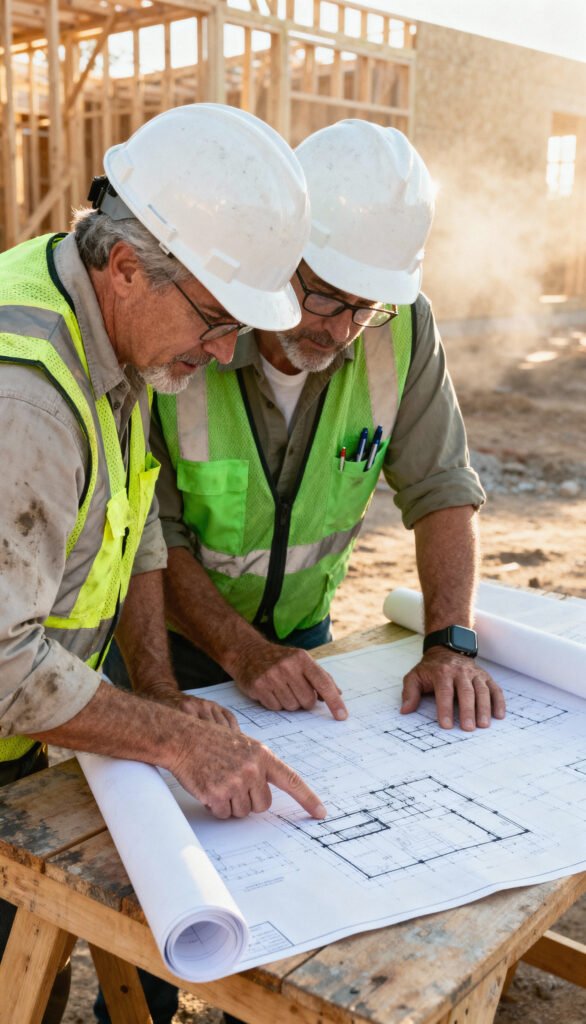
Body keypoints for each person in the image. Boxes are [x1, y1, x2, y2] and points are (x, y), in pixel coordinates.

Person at [0, 103, 327, 1024]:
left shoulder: (117, 341)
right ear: (128, 265)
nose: (225, 354)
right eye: (217, 321)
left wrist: (154, 685)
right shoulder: (25, 397)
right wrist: (177, 739)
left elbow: (134, 525)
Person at [145, 119, 506, 737]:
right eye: (327, 297)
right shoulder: (189, 331)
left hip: (306, 636)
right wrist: (241, 651)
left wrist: (450, 643)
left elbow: (441, 486)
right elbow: (151, 534)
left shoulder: (402, 329)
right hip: (172, 645)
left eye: (365, 307)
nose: (342, 332)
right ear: (282, 250)